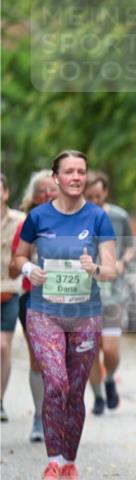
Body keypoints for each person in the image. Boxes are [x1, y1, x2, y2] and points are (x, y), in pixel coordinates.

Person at [11, 150, 118, 480]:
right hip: (44, 313)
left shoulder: (98, 217)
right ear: (56, 178)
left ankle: (69, 465)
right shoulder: (38, 217)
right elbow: (17, 259)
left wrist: (95, 269)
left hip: (84, 316)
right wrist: (29, 269)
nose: (76, 177)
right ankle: (52, 463)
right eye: (69, 172)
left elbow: (111, 268)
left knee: (74, 392)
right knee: (56, 382)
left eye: (81, 172)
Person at [83, 171, 136, 414]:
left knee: (111, 350)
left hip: (113, 293)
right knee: (92, 350)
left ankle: (109, 378)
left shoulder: (118, 216)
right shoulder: (77, 217)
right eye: (90, 196)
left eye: (99, 195)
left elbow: (130, 247)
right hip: (85, 295)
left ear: (105, 192)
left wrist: (122, 263)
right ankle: (97, 398)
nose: (95, 200)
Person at [12, 170, 59, 441]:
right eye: (42, 191)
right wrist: (28, 265)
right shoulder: (27, 224)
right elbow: (14, 264)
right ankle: (40, 419)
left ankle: (60, 414)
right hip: (33, 299)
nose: (48, 195)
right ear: (33, 196)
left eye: (52, 189)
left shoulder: (71, 221)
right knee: (39, 360)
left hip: (66, 299)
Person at [1, 173, 26, 422]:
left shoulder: (20, 221)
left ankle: (0, 400)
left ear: (6, 193)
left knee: (3, 346)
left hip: (9, 291)